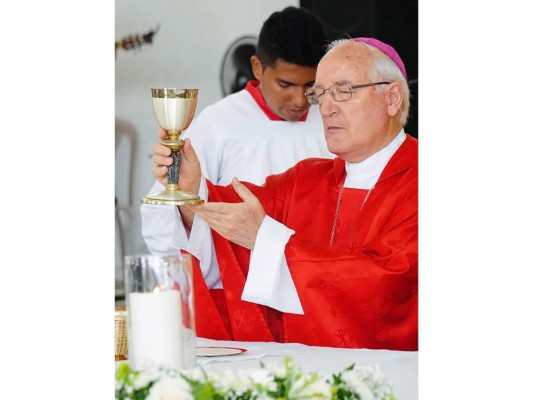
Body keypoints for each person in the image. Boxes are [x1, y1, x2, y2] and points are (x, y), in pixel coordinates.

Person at [144, 37, 418, 350]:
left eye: (343, 90)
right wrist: (191, 190)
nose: (326, 108)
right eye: (321, 93)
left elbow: (389, 283)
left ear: (392, 98)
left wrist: (266, 240)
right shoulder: (306, 178)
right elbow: (234, 223)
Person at [142, 6, 333, 252]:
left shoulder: (333, 119)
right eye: (285, 84)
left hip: (316, 276)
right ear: (257, 67)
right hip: (240, 283)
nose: (299, 99)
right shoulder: (217, 123)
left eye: (310, 84)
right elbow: (162, 222)